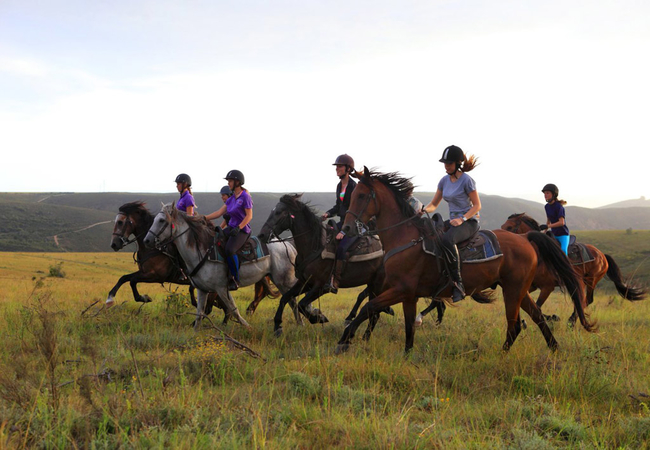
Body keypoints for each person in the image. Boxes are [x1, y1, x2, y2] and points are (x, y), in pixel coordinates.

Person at [422, 145, 481, 302]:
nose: (446, 166)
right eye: (445, 163)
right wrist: (423, 210)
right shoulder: (444, 181)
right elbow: (434, 204)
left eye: (449, 163)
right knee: (432, 235)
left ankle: (458, 284)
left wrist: (462, 219)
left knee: (447, 240)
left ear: (457, 163)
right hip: (454, 221)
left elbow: (477, 206)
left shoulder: (467, 180)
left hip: (469, 221)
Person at [206, 170, 253, 290]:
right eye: (228, 181)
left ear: (237, 182)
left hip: (242, 230)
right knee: (215, 240)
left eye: (230, 181)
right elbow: (219, 213)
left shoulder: (245, 196)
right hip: (231, 227)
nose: (228, 183)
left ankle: (235, 279)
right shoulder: (231, 199)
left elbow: (249, 216)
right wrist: (203, 218)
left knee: (230, 249)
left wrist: (239, 228)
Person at [321, 154, 357, 294]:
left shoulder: (354, 186)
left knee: (341, 248)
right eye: (336, 167)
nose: (337, 169)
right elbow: (338, 206)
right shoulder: (339, 186)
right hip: (342, 221)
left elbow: (354, 211)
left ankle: (336, 281)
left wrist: (344, 231)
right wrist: (328, 214)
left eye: (340, 166)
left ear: (348, 169)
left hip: (353, 224)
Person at [540, 184, 570, 255]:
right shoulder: (547, 206)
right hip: (553, 234)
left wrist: (548, 226)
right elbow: (548, 220)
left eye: (547, 193)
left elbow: (561, 222)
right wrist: (544, 231)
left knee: (563, 250)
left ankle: (566, 262)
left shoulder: (559, 206)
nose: (545, 195)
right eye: (544, 193)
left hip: (563, 234)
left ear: (553, 194)